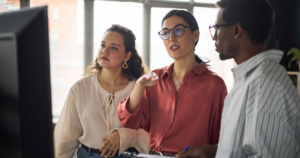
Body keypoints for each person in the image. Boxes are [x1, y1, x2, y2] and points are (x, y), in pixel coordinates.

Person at [177, 0, 300, 157]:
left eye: (217, 29)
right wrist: (212, 151)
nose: (215, 37)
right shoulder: (248, 79)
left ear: (236, 30)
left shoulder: (264, 85)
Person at [118, 10, 227, 156]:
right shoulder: (154, 78)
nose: (171, 38)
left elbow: (222, 142)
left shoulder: (215, 85)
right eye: (166, 33)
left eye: (178, 30)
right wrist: (138, 87)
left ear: (196, 35)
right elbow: (130, 122)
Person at [54, 24, 150, 158]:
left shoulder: (139, 89)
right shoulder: (80, 88)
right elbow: (64, 139)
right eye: (103, 45)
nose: (105, 51)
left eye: (114, 48)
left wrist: (125, 136)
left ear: (127, 56)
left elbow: (152, 136)